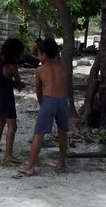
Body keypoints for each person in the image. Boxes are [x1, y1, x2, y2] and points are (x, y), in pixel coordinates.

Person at [19, 38, 69, 176]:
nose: (38, 56)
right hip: (63, 101)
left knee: (39, 134)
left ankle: (30, 166)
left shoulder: (40, 70)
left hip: (49, 101)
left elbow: (39, 91)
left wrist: (42, 104)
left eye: (39, 53)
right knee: (62, 132)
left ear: (44, 55)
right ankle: (61, 162)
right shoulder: (61, 67)